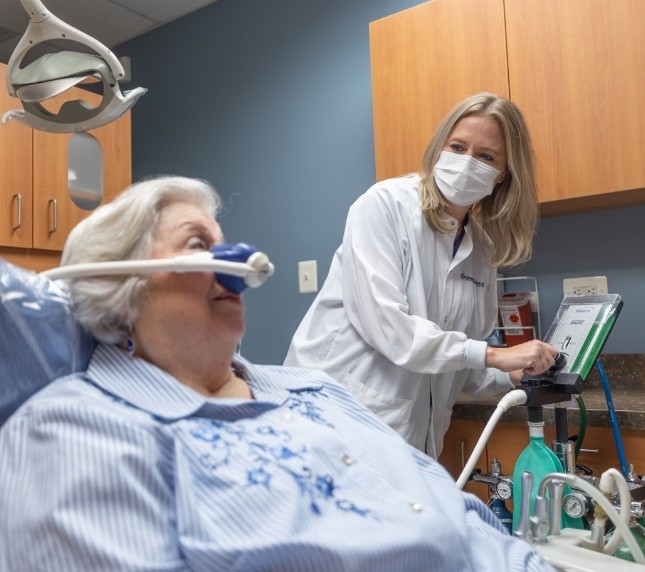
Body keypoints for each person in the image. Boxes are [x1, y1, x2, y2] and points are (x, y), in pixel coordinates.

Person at [0, 176, 556, 571]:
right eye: (200, 244)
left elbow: (457, 513)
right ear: (121, 287)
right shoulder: (80, 429)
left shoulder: (313, 388)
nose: (239, 262)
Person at [284, 92, 559, 458]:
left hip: (409, 435)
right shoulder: (384, 205)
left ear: (503, 173)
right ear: (439, 147)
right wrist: (496, 356)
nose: (466, 163)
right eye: (457, 147)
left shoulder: (482, 249)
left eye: (485, 156)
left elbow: (463, 363)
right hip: (334, 417)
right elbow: (392, 330)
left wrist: (510, 373)